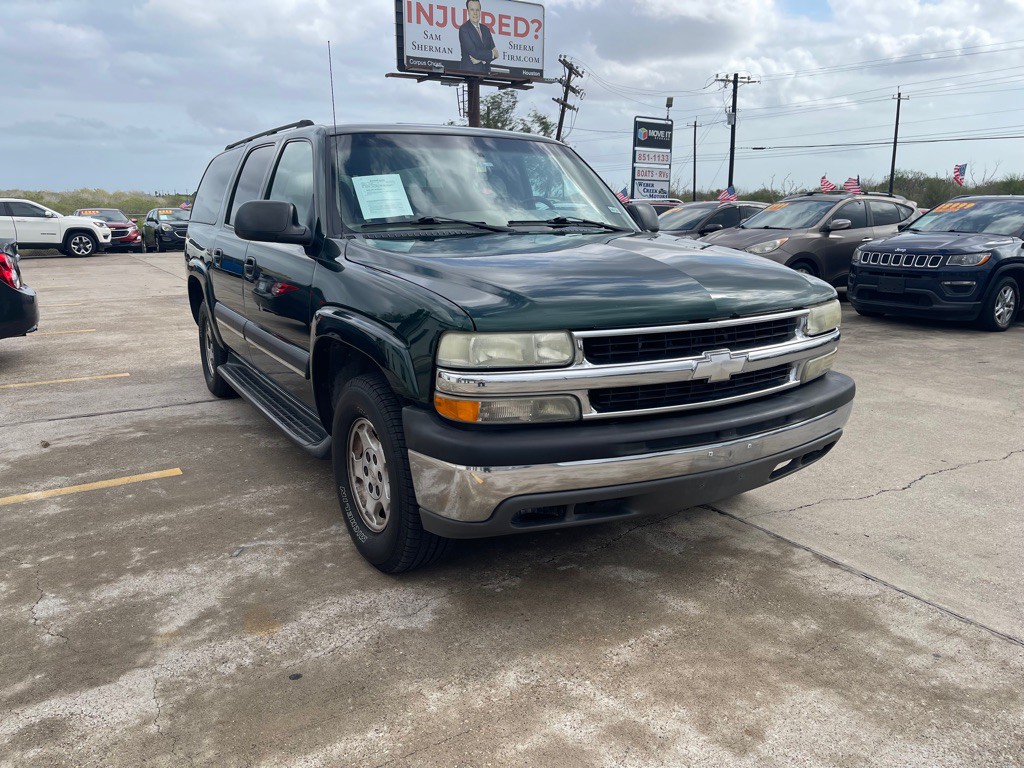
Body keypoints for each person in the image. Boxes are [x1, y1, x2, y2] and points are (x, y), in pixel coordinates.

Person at [458, 0, 498, 74]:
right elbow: (474, 52)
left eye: (477, 10)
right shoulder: (464, 29)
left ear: (480, 11)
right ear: (468, 11)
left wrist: (480, 60)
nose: (475, 13)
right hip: (469, 73)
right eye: (472, 10)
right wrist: (491, 54)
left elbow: (496, 53)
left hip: (486, 73)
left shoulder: (485, 29)